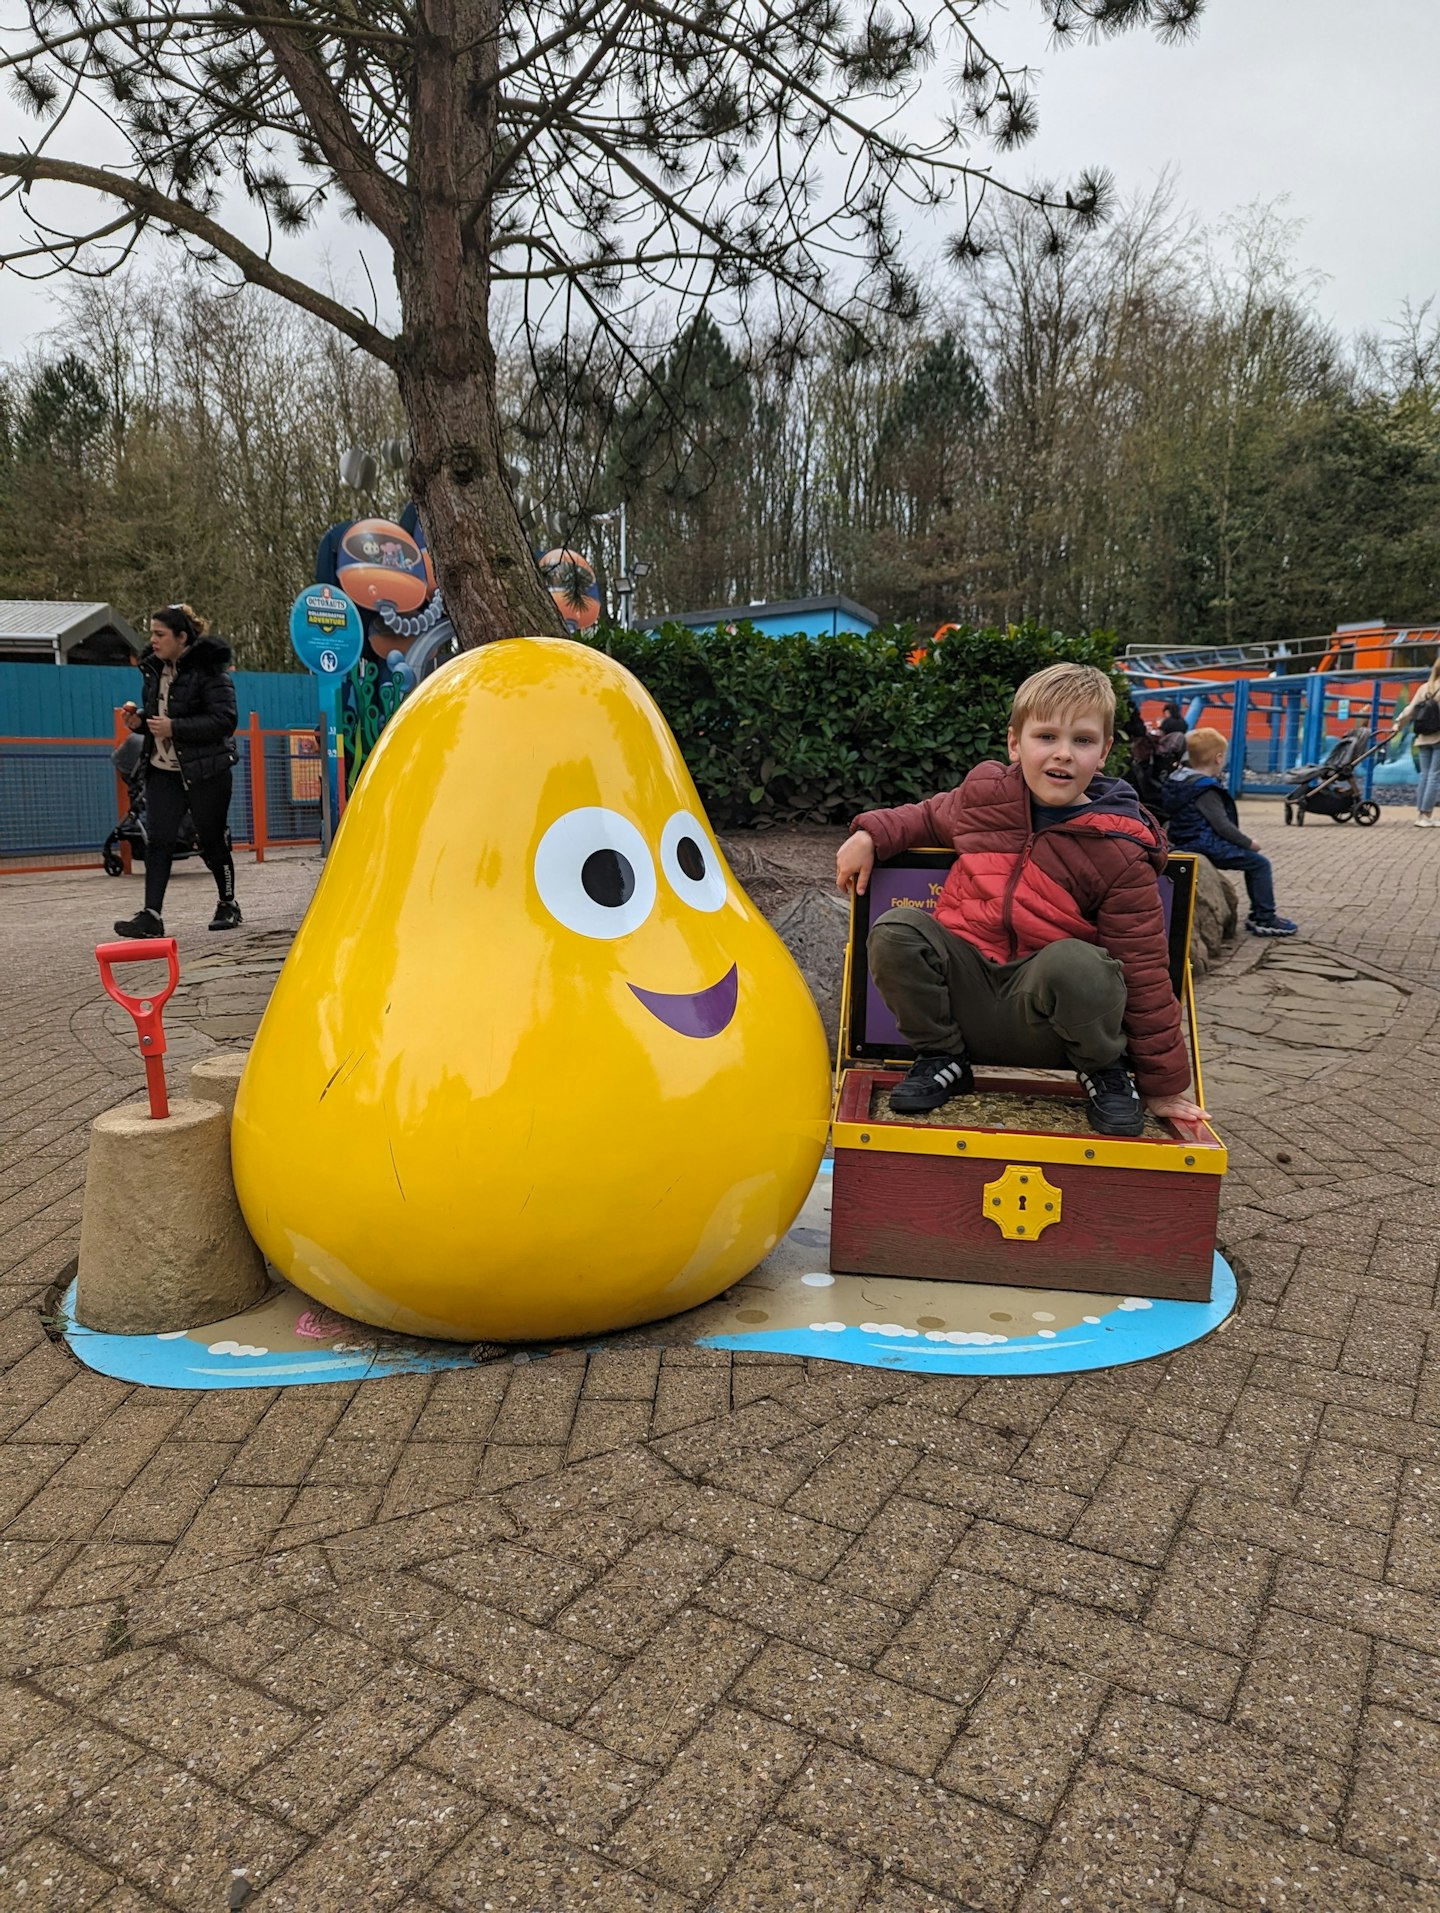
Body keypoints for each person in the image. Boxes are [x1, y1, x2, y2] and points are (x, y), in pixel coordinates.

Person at [834, 662, 1205, 1138]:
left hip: (1049, 1022)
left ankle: (1104, 1073)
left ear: (1105, 751)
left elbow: (1144, 966)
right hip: (967, 996)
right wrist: (871, 834)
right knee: (896, 932)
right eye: (1046, 736)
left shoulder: (1119, 845)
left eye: (1083, 740)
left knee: (1080, 963)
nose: (1064, 754)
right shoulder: (985, 797)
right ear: (1015, 743)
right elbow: (926, 816)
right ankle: (942, 1059)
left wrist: (1165, 1085)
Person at [113, 604, 243, 938]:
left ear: (181, 637)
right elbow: (161, 717)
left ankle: (228, 903)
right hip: (163, 770)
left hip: (206, 772)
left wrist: (175, 727)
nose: (153, 641)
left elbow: (226, 720)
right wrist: (140, 722)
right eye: (152, 634)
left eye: (160, 634)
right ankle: (151, 917)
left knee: (212, 841)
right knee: (159, 841)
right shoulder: (153, 670)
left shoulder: (210, 671)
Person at [1162, 728, 1297, 937]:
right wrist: (1248, 843)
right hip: (1204, 842)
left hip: (1183, 839)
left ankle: (1260, 914)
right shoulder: (1204, 788)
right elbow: (1221, 825)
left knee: (1255, 864)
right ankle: (1264, 917)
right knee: (1259, 864)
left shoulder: (1178, 780)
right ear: (1218, 758)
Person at [1394, 660, 1440, 826]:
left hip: (1422, 738)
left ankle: (1421, 815)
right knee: (1434, 776)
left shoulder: (1425, 687)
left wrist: (1398, 724)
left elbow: (1410, 709)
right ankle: (1426, 816)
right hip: (1438, 738)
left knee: (1425, 776)